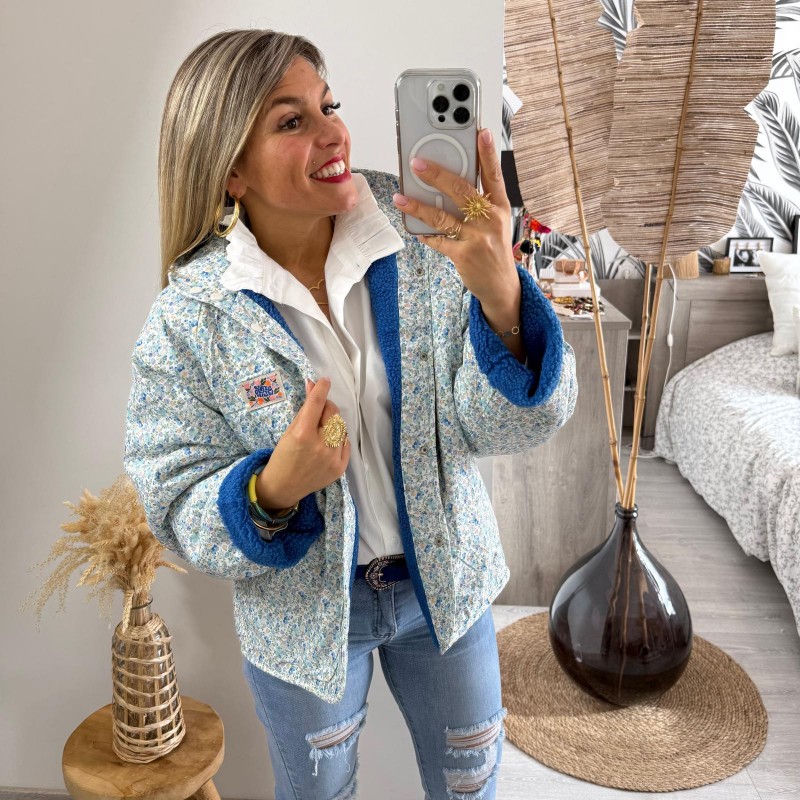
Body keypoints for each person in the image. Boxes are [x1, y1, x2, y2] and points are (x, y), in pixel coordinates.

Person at [124, 29, 577, 800]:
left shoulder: (432, 233)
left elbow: (500, 427)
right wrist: (272, 489)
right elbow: (170, 501)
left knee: (472, 789)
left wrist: (503, 294)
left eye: (328, 106)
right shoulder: (189, 318)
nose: (334, 132)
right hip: (302, 625)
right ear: (231, 169)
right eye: (292, 120)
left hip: (448, 591)